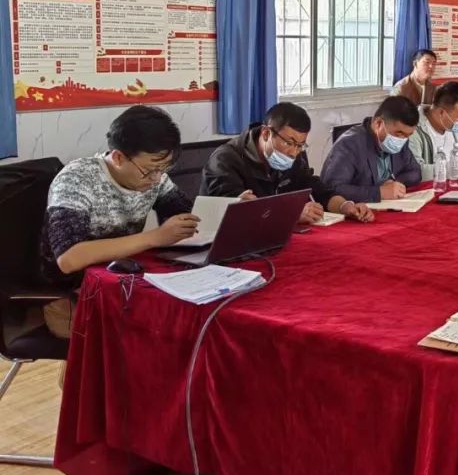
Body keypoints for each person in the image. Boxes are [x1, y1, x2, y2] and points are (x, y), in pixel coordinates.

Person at [40, 106, 200, 337]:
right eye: (150, 170)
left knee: (186, 323)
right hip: (73, 294)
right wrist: (155, 237)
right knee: (152, 336)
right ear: (118, 157)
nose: (157, 179)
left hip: (123, 281)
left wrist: (229, 208)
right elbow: (69, 258)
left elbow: (188, 214)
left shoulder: (152, 178)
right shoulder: (77, 179)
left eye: (163, 169)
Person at [202, 102, 374, 223]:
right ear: (266, 134)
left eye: (300, 145)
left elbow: (314, 187)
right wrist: (291, 215)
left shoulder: (294, 154)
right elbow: (234, 214)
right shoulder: (225, 160)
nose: (293, 152)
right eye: (289, 143)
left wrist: (345, 206)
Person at [321, 96, 423, 203]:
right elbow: (333, 189)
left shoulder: (402, 140)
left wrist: (393, 183)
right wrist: (379, 192)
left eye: (408, 135)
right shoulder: (350, 144)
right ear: (378, 124)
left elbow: (415, 173)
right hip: (357, 209)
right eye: (399, 133)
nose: (402, 140)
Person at [407, 81, 458, 181]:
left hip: (456, 184)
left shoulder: (455, 128)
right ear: (441, 112)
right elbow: (416, 171)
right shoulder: (413, 129)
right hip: (431, 187)